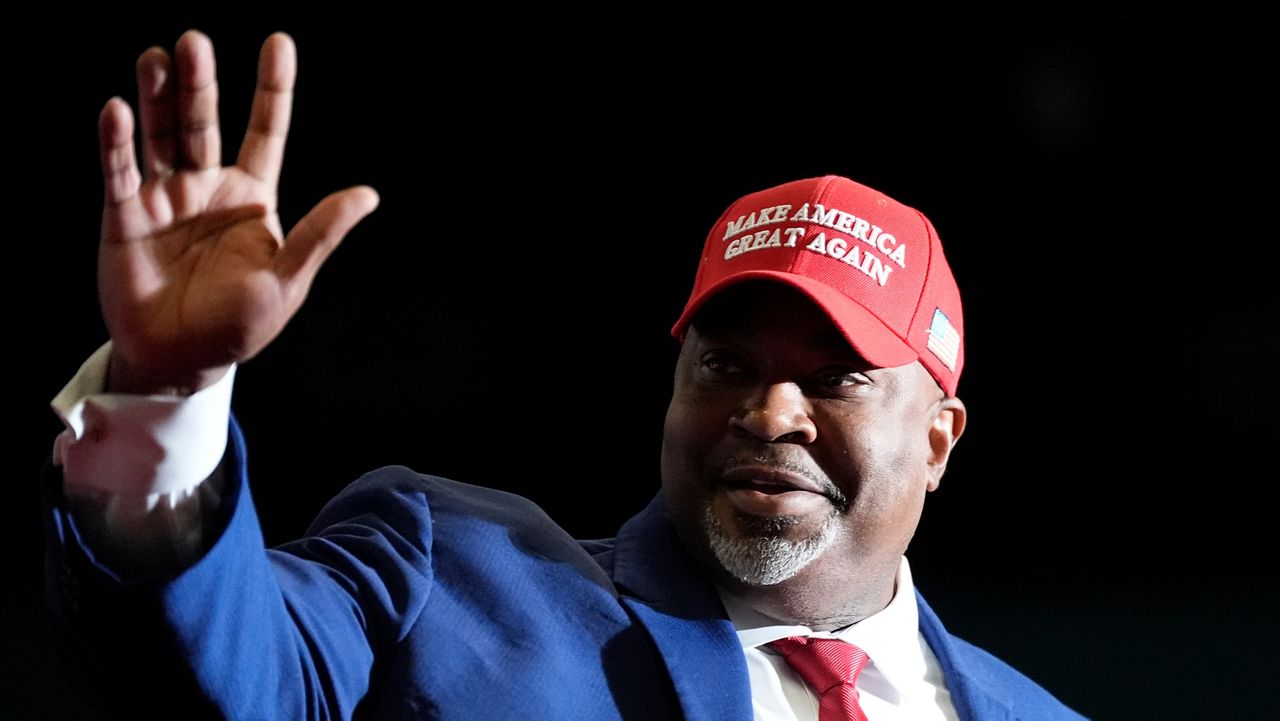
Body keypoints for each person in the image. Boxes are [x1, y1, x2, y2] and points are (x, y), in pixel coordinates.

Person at [41, 29, 1088, 721]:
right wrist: (165, 391)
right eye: (724, 362)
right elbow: (213, 680)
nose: (769, 411)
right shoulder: (446, 575)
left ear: (939, 438)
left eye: (836, 377)